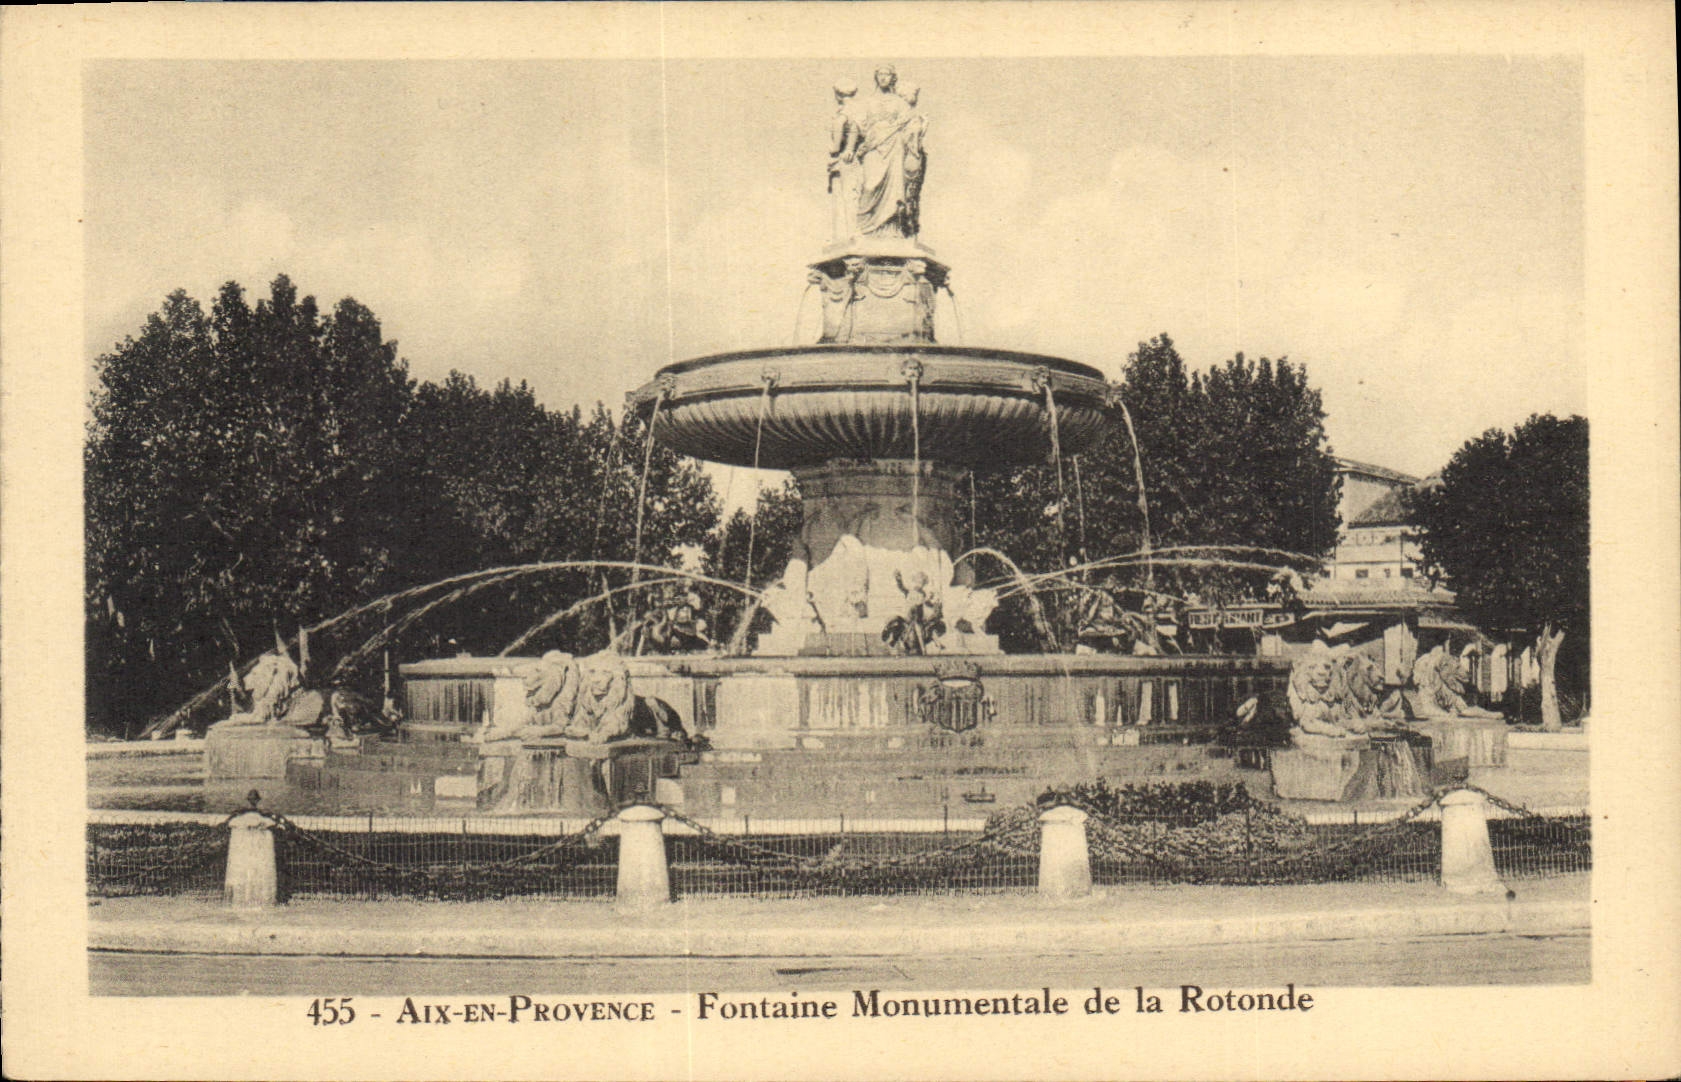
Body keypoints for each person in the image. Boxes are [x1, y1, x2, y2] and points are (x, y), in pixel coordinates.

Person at [853, 66, 920, 238]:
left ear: (892, 78)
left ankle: (890, 229)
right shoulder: (867, 102)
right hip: (873, 146)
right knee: (869, 185)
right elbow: (858, 125)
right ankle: (864, 227)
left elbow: (910, 122)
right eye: (880, 74)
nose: (883, 78)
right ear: (876, 77)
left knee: (894, 189)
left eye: (887, 75)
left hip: (894, 146)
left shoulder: (900, 103)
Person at [827, 79, 862, 243]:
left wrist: (835, 148)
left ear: (838, 95)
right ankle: (853, 232)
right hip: (858, 157)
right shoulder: (860, 109)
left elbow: (841, 125)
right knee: (855, 194)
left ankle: (851, 233)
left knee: (848, 196)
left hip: (846, 158)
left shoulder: (844, 112)